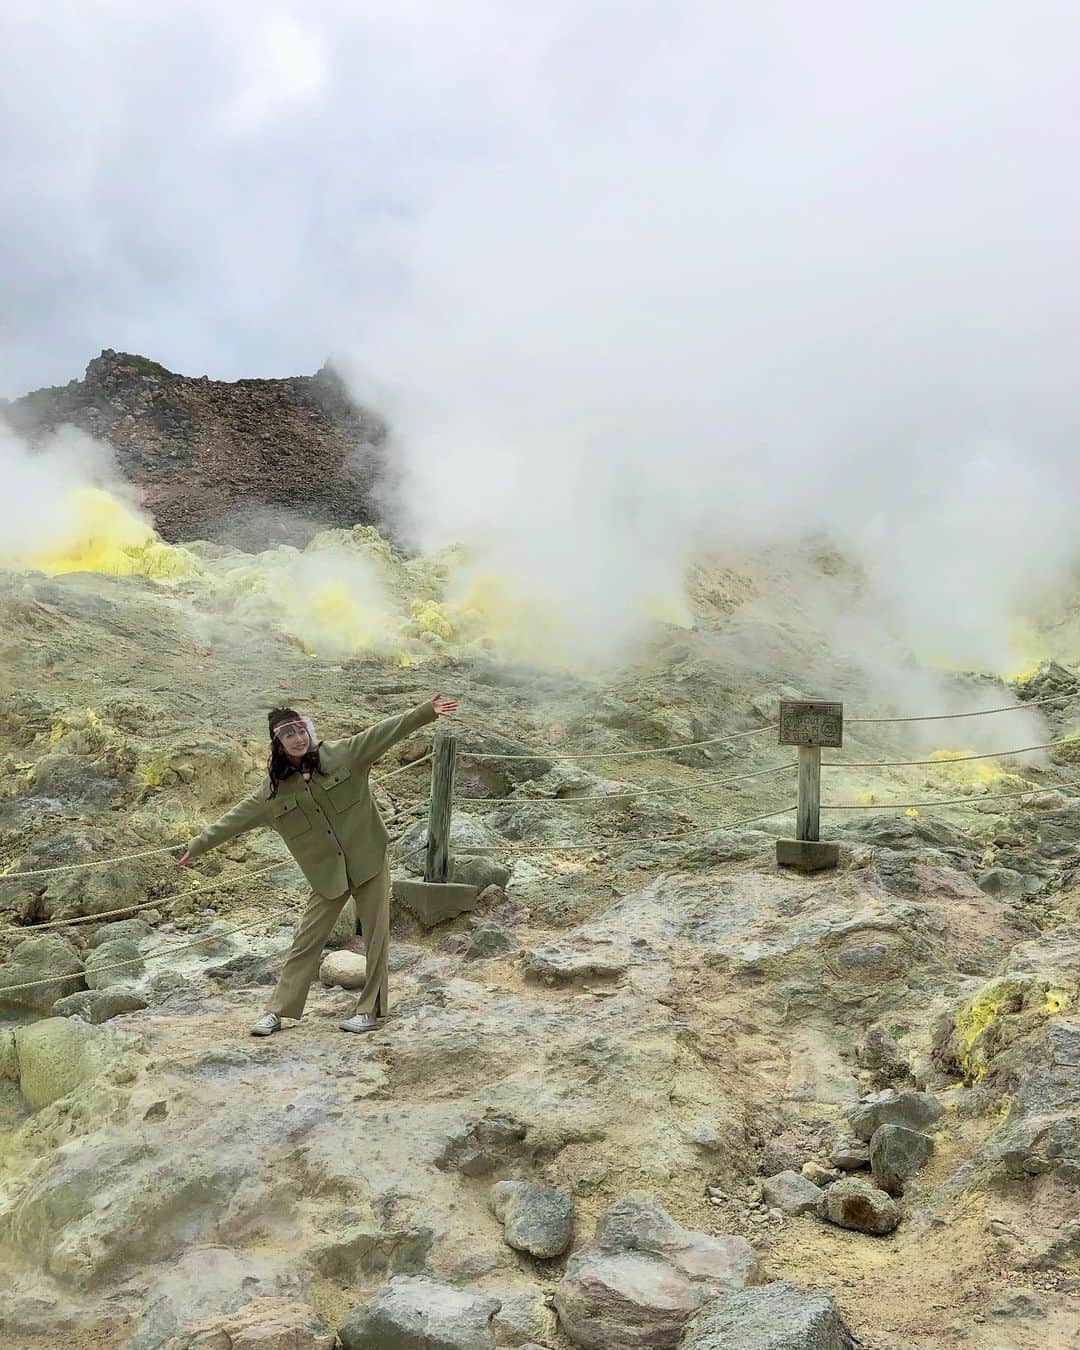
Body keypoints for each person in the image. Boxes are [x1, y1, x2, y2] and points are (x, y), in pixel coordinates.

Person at [174, 693, 458, 1035]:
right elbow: (232, 821)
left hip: (368, 857)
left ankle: (369, 1011)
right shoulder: (272, 792)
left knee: (376, 938)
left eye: (301, 729)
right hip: (327, 876)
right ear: (278, 744)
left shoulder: (342, 755)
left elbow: (385, 731)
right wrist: (197, 846)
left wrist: (426, 712)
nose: (298, 737)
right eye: (289, 734)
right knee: (305, 942)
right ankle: (277, 1012)